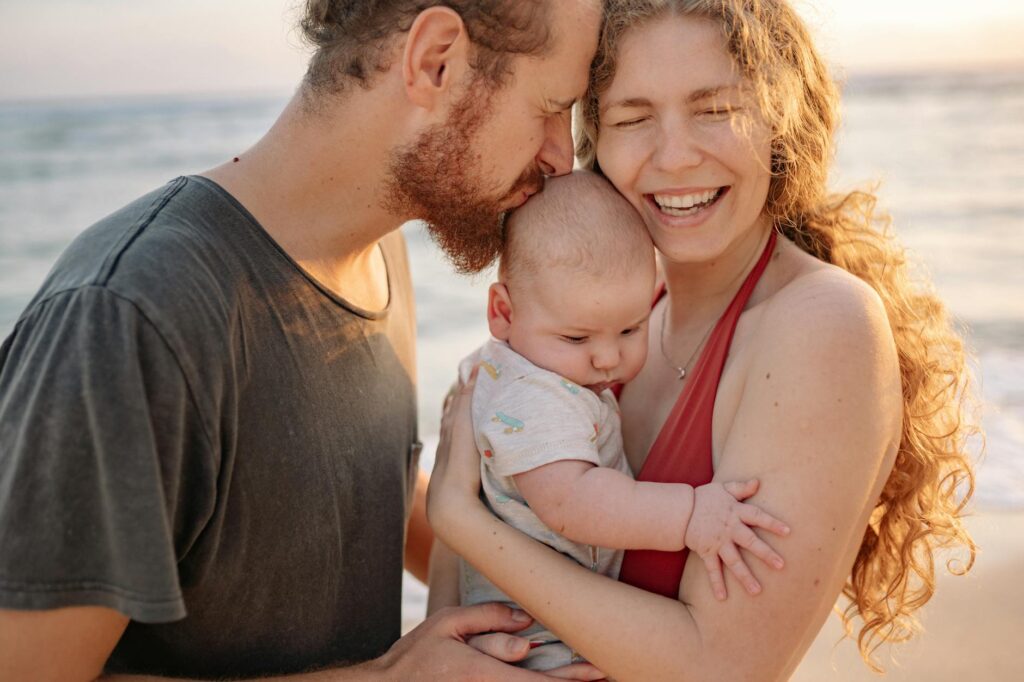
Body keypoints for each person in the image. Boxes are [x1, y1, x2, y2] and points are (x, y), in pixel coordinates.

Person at [0, 1, 608, 680]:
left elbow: (352, 491)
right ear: (435, 60)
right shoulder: (129, 316)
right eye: (552, 106)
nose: (561, 152)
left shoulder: (379, 257)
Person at [426, 1, 979, 680]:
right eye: (632, 118)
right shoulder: (611, 325)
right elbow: (454, 619)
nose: (676, 155)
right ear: (595, 138)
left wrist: (456, 518)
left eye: (714, 109)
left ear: (782, 120)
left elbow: (723, 666)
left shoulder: (824, 325)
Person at [427, 171, 790, 671]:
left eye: (629, 328)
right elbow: (570, 502)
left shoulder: (512, 363)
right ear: (502, 312)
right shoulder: (533, 396)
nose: (606, 358)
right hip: (541, 646)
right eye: (577, 338)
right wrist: (688, 515)